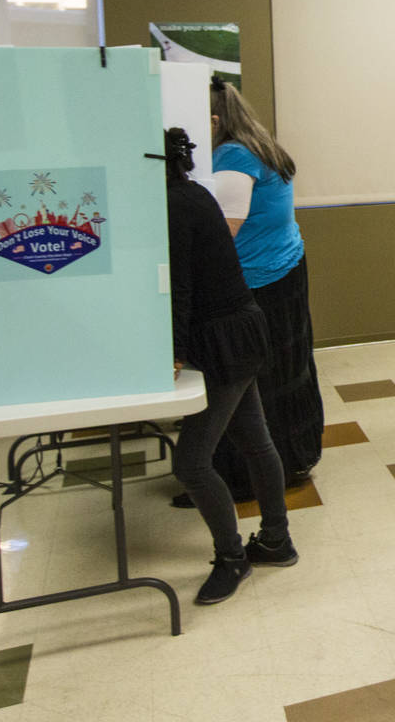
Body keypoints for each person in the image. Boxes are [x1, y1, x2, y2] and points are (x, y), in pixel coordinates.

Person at [163, 128, 298, 605]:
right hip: (237, 329)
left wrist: (173, 350)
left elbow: (176, 285)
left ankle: (232, 557)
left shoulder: (177, 205)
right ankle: (276, 541)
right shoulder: (190, 193)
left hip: (224, 339)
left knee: (192, 463)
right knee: (255, 441)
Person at [205, 77, 325, 499]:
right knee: (285, 370)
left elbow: (223, 234)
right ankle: (289, 460)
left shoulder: (234, 158)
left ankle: (249, 476)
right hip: (283, 268)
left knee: (256, 382)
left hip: (262, 280)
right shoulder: (258, 145)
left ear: (216, 119)